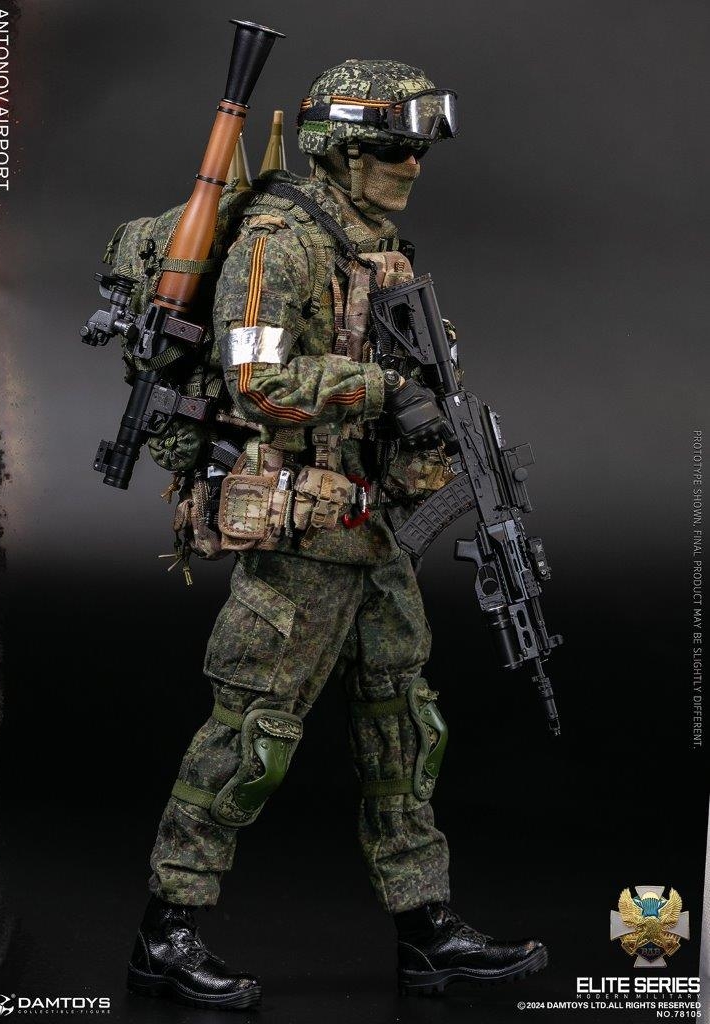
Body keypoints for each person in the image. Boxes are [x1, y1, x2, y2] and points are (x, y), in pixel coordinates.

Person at [127, 59, 547, 1010]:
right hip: (302, 531)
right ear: (344, 151)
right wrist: (382, 390)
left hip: (373, 525)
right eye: (394, 148)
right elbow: (256, 385)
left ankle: (425, 926)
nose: (411, 166)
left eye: (415, 150)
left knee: (403, 725)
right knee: (252, 733)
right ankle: (167, 926)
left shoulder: (373, 243)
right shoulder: (277, 243)